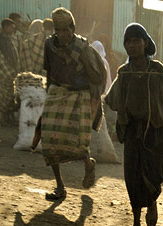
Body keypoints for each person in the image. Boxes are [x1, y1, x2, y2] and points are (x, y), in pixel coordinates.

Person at [105, 23, 163, 226]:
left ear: (145, 43)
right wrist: (119, 123)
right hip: (132, 133)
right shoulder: (124, 73)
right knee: (132, 177)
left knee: (156, 175)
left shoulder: (157, 71)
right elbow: (113, 99)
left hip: (155, 133)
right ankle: (136, 223)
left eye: (136, 41)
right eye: (128, 41)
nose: (132, 45)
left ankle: (152, 200)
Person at [38, 7, 107, 201]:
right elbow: (49, 72)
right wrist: (50, 94)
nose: (62, 35)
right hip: (56, 93)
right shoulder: (49, 46)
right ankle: (60, 187)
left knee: (78, 143)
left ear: (72, 28)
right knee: (50, 141)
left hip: (79, 97)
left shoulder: (83, 48)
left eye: (65, 30)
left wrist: (82, 68)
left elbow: (95, 76)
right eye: (58, 31)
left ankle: (88, 165)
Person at [0, 17, 22, 125]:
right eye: (11, 27)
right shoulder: (0, 39)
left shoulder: (10, 39)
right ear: (5, 27)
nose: (13, 30)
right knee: (4, 94)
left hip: (12, 69)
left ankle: (6, 117)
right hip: (5, 71)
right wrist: (8, 69)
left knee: (10, 95)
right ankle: (1, 118)